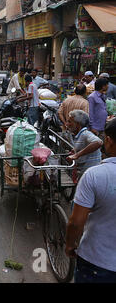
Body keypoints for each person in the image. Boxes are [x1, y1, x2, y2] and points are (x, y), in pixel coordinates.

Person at [65, 118, 116, 283]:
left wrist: (70, 244)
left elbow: (75, 223)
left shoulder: (94, 175)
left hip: (96, 262)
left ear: (108, 140)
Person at [66, 110, 103, 179]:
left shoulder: (85, 134)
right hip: (85, 172)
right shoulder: (77, 135)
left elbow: (98, 142)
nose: (67, 124)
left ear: (78, 124)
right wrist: (75, 152)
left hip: (92, 174)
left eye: (69, 122)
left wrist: (77, 155)